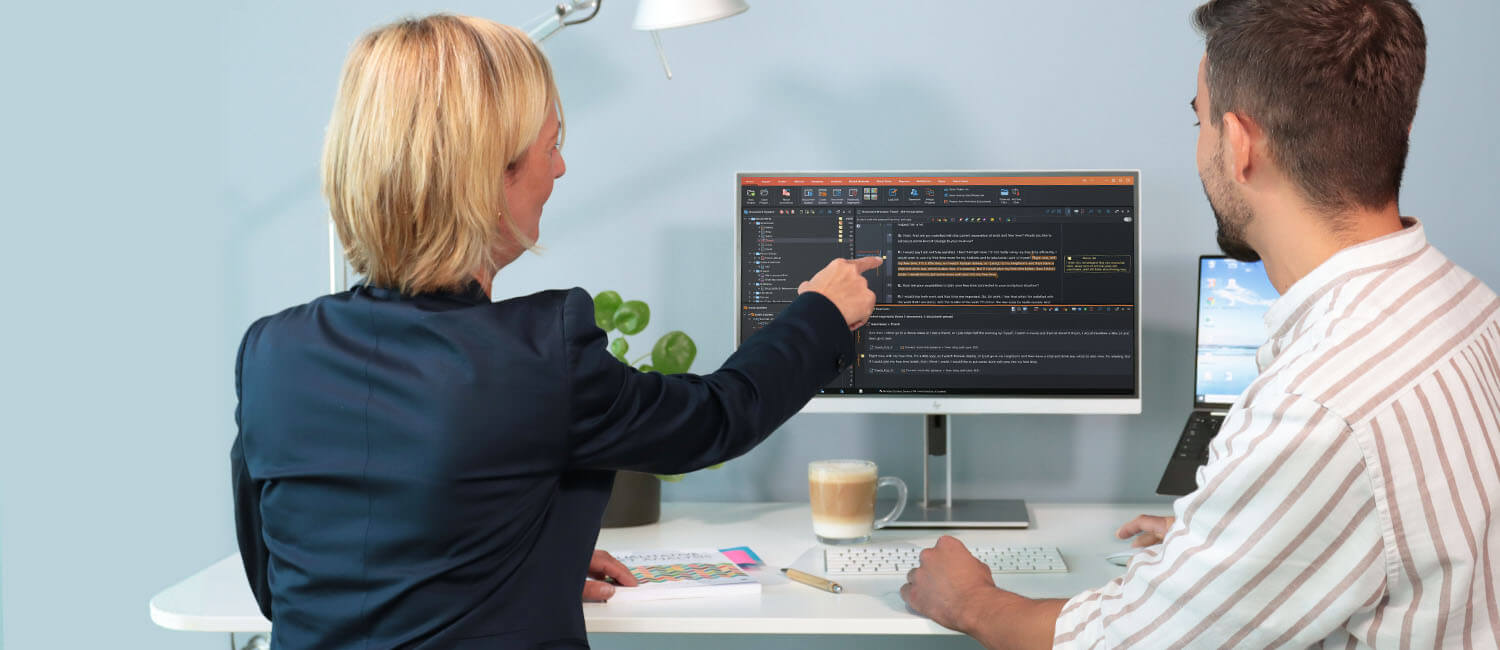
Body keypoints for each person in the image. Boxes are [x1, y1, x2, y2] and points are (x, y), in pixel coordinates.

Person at [230, 14, 880, 649]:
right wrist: (821, 312)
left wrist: (529, 563)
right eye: (550, 145)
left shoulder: (271, 353)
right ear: (488, 177)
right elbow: (716, 417)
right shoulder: (538, 352)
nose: (561, 168)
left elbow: (283, 581)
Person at [901, 1, 1500, 648]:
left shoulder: (1317, 407)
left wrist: (971, 601)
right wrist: (1233, 542)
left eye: (1200, 119)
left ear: (1240, 144)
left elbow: (1124, 642)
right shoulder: (1469, 306)